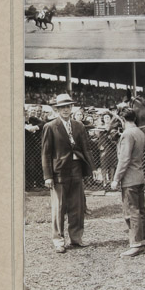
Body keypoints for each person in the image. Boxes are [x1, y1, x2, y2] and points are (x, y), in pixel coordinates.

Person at [41, 93, 96, 254]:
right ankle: (58, 240)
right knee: (59, 207)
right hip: (59, 171)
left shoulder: (79, 126)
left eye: (68, 106)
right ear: (57, 109)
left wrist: (92, 168)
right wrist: (48, 176)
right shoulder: (50, 126)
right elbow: (45, 153)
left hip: (77, 168)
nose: (65, 110)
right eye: (62, 107)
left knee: (77, 206)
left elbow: (86, 148)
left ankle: (76, 238)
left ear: (72, 108)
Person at [111, 109, 145, 258]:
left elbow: (124, 159)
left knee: (131, 212)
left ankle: (136, 244)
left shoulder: (127, 134)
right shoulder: (139, 132)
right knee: (140, 210)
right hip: (139, 176)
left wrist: (116, 178)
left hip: (129, 179)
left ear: (122, 119)